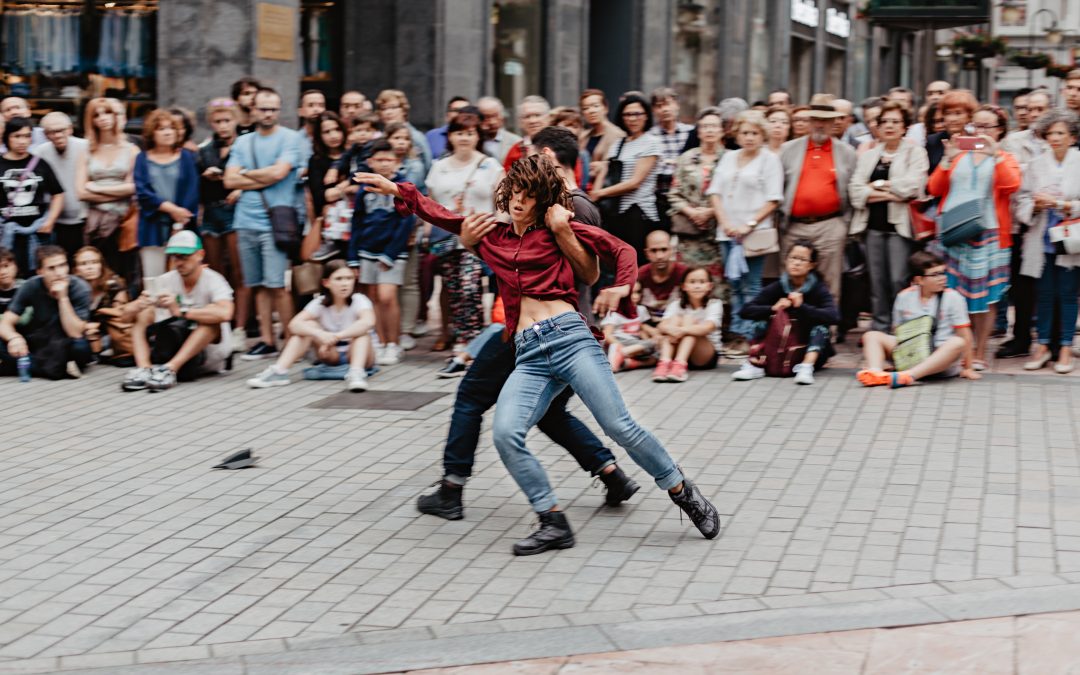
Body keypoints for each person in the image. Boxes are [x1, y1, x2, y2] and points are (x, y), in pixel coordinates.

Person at [356, 155, 721, 553]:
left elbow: (622, 251)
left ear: (542, 200)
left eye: (528, 195)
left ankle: (682, 490)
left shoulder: (557, 230)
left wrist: (621, 287)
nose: (518, 201)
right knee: (506, 433)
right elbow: (440, 213)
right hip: (528, 353)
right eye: (514, 191)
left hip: (569, 338)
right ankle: (552, 521)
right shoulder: (492, 235)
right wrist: (398, 189)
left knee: (619, 425)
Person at [416, 212, 640, 521]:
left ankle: (451, 490)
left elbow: (589, 269)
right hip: (571, 332)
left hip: (536, 331)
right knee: (550, 413)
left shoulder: (563, 209)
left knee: (470, 398)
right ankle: (611, 474)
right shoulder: (563, 206)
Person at [928, 104, 1020, 370]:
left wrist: (996, 156)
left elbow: (1012, 185)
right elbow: (934, 187)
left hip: (989, 233)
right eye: (975, 126)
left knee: (986, 298)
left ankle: (980, 352)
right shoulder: (958, 155)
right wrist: (946, 159)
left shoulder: (1005, 156)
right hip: (955, 230)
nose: (979, 131)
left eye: (986, 126)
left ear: (999, 130)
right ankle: (959, 350)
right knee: (955, 293)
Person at [224, 87, 302, 362]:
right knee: (256, 284)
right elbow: (229, 180)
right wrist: (261, 176)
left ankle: (292, 339)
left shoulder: (291, 139)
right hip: (245, 220)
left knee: (277, 285)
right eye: (264, 108)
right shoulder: (244, 142)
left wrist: (245, 174)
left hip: (275, 222)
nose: (269, 114)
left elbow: (280, 173)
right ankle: (267, 340)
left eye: (274, 109)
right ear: (253, 110)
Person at [423, 113, 503, 354]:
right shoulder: (440, 166)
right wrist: (426, 231)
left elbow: (502, 201)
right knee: (454, 288)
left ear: (477, 136)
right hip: (447, 237)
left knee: (470, 286)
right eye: (460, 133)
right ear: (450, 136)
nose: (465, 138)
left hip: (480, 234)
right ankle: (466, 339)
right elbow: (431, 201)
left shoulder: (490, 165)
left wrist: (500, 227)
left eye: (470, 133)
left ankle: (472, 340)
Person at [849, 101, 930, 332]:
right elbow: (855, 190)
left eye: (895, 121)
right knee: (876, 282)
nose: (889, 126)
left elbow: (912, 188)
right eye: (884, 121)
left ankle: (902, 329)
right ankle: (880, 328)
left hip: (900, 228)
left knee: (898, 279)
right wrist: (889, 193)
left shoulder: (915, 153)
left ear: (905, 126)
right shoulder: (868, 155)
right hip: (872, 227)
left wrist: (877, 185)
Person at [708, 110, 784, 355]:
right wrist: (726, 223)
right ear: (737, 135)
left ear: (762, 135)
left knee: (752, 285)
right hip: (727, 231)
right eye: (745, 133)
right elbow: (715, 193)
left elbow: (773, 199)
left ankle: (750, 334)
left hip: (753, 233)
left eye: (755, 133)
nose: (749, 137)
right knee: (734, 283)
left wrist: (748, 225)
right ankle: (737, 331)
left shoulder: (769, 159)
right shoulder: (729, 158)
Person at [119, 231, 233, 391]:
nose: (179, 262)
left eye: (184, 256)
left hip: (208, 354)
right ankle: (144, 369)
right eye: (175, 257)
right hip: (173, 345)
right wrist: (138, 304)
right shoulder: (166, 280)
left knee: (211, 318)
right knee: (144, 312)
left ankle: (170, 369)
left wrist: (181, 311)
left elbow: (226, 313)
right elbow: (124, 318)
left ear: (200, 255)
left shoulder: (213, 280)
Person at [1014, 110, 1080, 373]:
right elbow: (1022, 199)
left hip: (1071, 239)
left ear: (1072, 137)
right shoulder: (1036, 164)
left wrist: (1063, 205)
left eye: (1060, 133)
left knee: (1067, 294)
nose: (1054, 138)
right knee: (1043, 293)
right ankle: (1041, 345)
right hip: (1042, 237)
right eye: (1050, 133)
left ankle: (1064, 346)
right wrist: (1036, 206)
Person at [248, 260, 375, 391]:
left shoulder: (359, 299)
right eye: (339, 279)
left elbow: (368, 322)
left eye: (349, 278)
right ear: (326, 283)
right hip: (330, 353)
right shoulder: (319, 303)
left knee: (362, 333)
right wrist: (320, 334)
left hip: (360, 354)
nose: (345, 283)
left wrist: (337, 336)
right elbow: (294, 325)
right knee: (308, 325)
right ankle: (279, 371)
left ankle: (356, 374)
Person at [778, 93, 857, 302]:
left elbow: (852, 189)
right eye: (815, 120)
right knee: (791, 279)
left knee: (830, 281)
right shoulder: (788, 149)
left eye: (825, 120)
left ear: (834, 123)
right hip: (793, 225)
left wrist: (845, 225)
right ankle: (790, 329)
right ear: (809, 121)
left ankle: (825, 331)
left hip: (830, 225)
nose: (820, 125)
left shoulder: (847, 152)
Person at [858, 251, 978, 387]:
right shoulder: (904, 297)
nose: (942, 278)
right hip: (909, 354)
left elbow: (965, 334)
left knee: (957, 342)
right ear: (919, 280)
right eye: (935, 274)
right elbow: (897, 331)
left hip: (939, 358)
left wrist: (968, 368)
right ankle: (875, 372)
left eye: (943, 273)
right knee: (871, 336)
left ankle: (909, 376)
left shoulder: (953, 298)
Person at [733, 240, 839, 385]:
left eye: (802, 259)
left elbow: (834, 316)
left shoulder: (818, 288)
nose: (796, 263)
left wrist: (802, 307)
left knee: (821, 327)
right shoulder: (778, 286)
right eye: (793, 258)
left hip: (806, 346)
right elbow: (745, 311)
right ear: (786, 260)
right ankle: (755, 364)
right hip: (778, 346)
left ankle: (806, 367)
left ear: (811, 265)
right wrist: (772, 309)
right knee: (760, 322)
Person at [348, 139, 416, 365]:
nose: (384, 164)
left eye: (389, 160)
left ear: (397, 162)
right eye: (379, 160)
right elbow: (357, 222)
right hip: (367, 249)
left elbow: (406, 223)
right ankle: (381, 341)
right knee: (373, 298)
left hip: (392, 253)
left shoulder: (402, 187)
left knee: (388, 296)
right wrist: (352, 257)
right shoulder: (364, 189)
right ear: (370, 162)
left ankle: (393, 344)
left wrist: (391, 253)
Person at [196, 98, 247, 352]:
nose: (223, 126)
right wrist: (206, 176)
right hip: (212, 210)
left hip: (236, 210)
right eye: (218, 121)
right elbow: (199, 186)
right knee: (215, 272)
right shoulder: (205, 149)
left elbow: (253, 175)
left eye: (227, 120)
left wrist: (239, 187)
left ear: (236, 120)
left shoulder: (245, 145)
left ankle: (240, 327)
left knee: (240, 272)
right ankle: (221, 326)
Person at [0, 245, 91, 378]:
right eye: (51, 268)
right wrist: (14, 338)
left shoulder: (80, 288)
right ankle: (56, 368)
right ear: (40, 271)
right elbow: (5, 323)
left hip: (67, 341)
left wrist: (63, 298)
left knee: (80, 347)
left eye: (62, 265)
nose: (59, 272)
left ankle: (25, 366)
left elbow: (75, 332)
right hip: (39, 341)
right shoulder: (31, 286)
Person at [590, 93, 662, 260]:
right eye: (627, 114)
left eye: (637, 114)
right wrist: (595, 193)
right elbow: (607, 169)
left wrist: (601, 193)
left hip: (639, 211)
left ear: (646, 116)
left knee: (635, 263)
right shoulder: (619, 143)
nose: (632, 119)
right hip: (617, 211)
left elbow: (635, 182)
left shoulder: (651, 142)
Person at [76, 97, 139, 282]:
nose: (102, 118)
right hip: (94, 223)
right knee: (96, 271)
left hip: (123, 220)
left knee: (124, 273)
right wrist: (116, 192)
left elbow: (133, 188)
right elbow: (80, 192)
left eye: (108, 112)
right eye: (96, 114)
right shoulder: (86, 150)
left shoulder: (131, 150)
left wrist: (95, 187)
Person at [134, 109, 200, 283]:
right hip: (152, 225)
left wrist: (179, 220)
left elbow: (192, 191)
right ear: (151, 133)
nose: (168, 132)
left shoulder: (187, 157)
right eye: (161, 129)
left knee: (182, 277)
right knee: (153, 279)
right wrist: (170, 209)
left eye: (171, 128)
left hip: (182, 224)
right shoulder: (142, 159)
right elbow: (142, 192)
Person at [668, 108, 723, 299]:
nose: (709, 130)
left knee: (718, 283)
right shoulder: (686, 158)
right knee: (688, 279)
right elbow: (674, 194)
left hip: (718, 232)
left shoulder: (730, 158)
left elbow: (734, 196)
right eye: (705, 126)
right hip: (689, 233)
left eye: (714, 126)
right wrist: (692, 212)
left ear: (721, 130)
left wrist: (709, 212)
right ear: (698, 131)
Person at [0, 118, 65, 277]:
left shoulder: (40, 164)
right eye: (17, 136)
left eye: (27, 136)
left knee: (36, 274)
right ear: (7, 137)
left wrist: (50, 221)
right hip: (5, 231)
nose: (23, 141)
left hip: (37, 232)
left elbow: (58, 193)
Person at [32, 112, 89, 260]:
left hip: (85, 220)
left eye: (61, 130)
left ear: (70, 129)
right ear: (45, 134)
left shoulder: (86, 147)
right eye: (52, 132)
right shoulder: (39, 153)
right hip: (55, 222)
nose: (57, 135)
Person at [652, 266, 721, 382]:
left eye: (702, 282)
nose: (697, 286)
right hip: (679, 347)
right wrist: (672, 329)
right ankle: (665, 362)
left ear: (709, 286)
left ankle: (680, 364)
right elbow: (661, 326)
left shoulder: (714, 304)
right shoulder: (676, 304)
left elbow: (709, 327)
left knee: (689, 321)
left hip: (704, 356)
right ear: (684, 286)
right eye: (692, 282)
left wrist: (683, 330)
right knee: (675, 320)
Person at [650, 87, 697, 230]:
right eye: (659, 106)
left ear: (677, 105)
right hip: (659, 198)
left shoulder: (691, 132)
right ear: (654, 110)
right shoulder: (650, 136)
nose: (665, 109)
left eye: (668, 104)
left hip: (687, 198)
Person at [72, 245, 129, 359]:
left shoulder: (114, 284)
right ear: (76, 269)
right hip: (82, 333)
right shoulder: (72, 288)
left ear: (101, 265)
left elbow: (122, 314)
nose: (90, 267)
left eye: (94, 262)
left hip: (108, 333)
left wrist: (100, 322)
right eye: (83, 264)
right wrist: (85, 327)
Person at [603, 280, 657, 372]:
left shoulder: (641, 309)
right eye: (631, 293)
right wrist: (619, 347)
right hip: (618, 341)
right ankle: (622, 353)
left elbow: (642, 328)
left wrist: (652, 336)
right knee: (653, 344)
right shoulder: (614, 312)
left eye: (638, 292)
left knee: (654, 358)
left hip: (634, 343)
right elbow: (607, 335)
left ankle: (624, 363)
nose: (635, 296)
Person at [375, 89, 432, 174]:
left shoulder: (415, 136)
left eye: (393, 107)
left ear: (404, 110)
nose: (388, 112)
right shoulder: (380, 136)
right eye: (383, 108)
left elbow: (428, 166)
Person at [637, 230, 687, 322]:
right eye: (654, 250)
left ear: (671, 250)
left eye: (664, 249)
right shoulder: (640, 275)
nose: (659, 256)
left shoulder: (684, 273)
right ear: (646, 253)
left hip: (678, 324)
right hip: (646, 326)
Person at [579, 88, 626, 185]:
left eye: (595, 106)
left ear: (605, 108)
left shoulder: (618, 135)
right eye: (585, 108)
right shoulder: (583, 136)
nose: (591, 111)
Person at [926, 89, 976, 172]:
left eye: (958, 113)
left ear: (969, 116)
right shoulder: (932, 141)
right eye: (948, 113)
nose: (952, 119)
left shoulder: (976, 140)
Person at [501, 95, 551, 172]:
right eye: (527, 117)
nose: (533, 121)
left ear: (548, 118)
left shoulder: (561, 146)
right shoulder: (515, 150)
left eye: (537, 115)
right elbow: (507, 181)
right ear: (520, 122)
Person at [477, 96, 522, 164]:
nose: (492, 122)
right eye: (486, 117)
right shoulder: (474, 140)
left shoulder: (516, 142)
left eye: (495, 116)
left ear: (502, 117)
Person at [0, 247, 19, 314]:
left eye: (6, 266)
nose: (3, 272)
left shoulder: (25, 288)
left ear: (16, 267)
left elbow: (25, 318)